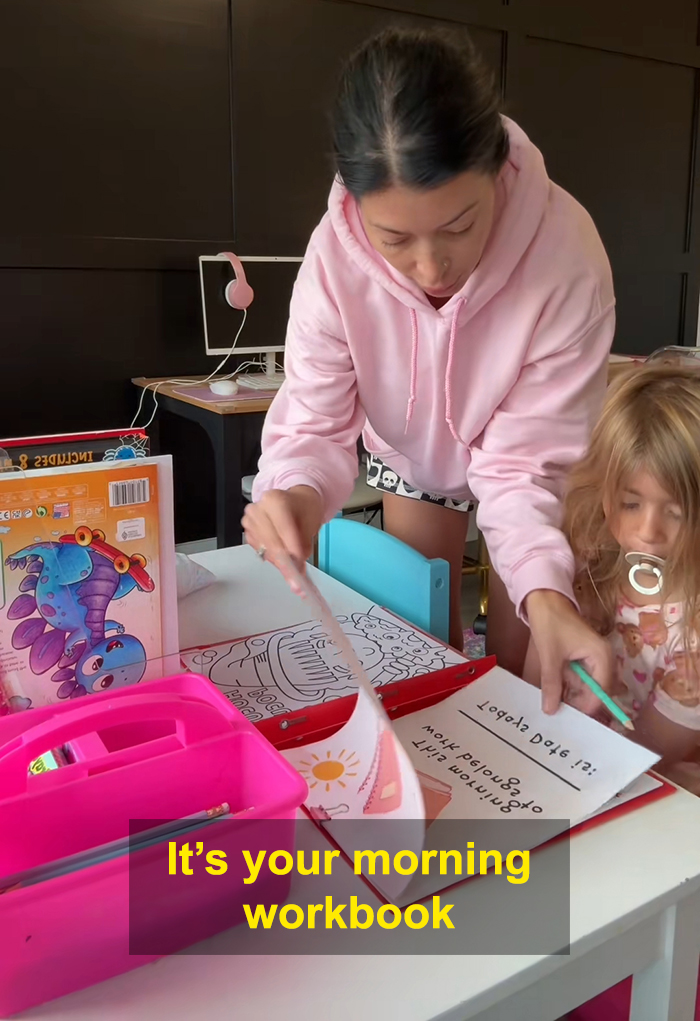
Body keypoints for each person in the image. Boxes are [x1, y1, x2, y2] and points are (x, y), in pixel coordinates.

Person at [243, 26, 616, 714]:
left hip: (530, 469)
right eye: (394, 239)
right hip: (413, 456)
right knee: (422, 648)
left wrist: (546, 595)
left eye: (459, 226)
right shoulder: (333, 259)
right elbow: (313, 424)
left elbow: (524, 467)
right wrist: (295, 495)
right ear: (356, 205)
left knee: (528, 660)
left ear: (497, 170)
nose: (430, 267)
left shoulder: (566, 258)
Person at [525, 363, 700, 778]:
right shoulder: (588, 566)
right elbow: (533, 690)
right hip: (565, 761)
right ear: (605, 494)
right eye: (630, 504)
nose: (648, 531)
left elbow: (648, 759)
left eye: (676, 512)